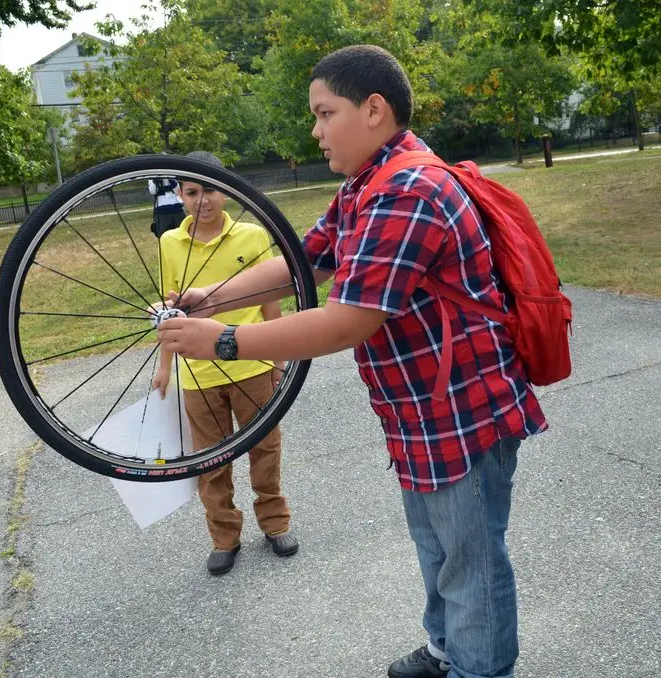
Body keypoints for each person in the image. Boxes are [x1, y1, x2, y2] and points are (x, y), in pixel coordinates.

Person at [158, 45, 547, 678]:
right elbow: (307, 260)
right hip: (418, 408)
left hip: (461, 410)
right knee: (435, 542)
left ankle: (481, 669)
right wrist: (214, 296)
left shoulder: (410, 191)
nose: (314, 130)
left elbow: (348, 321)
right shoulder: (365, 185)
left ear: (373, 109)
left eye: (323, 112)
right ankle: (446, 649)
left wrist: (224, 340)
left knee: (471, 558)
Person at [152, 150, 297, 576]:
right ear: (179, 194)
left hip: (250, 364)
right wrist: (165, 367)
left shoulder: (252, 237)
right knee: (210, 460)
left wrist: (278, 356)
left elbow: (270, 300)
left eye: (211, 189)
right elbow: (171, 314)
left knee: (265, 449)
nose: (203, 200)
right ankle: (224, 536)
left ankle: (275, 522)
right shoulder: (168, 243)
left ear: (227, 191)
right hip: (197, 372)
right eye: (193, 191)